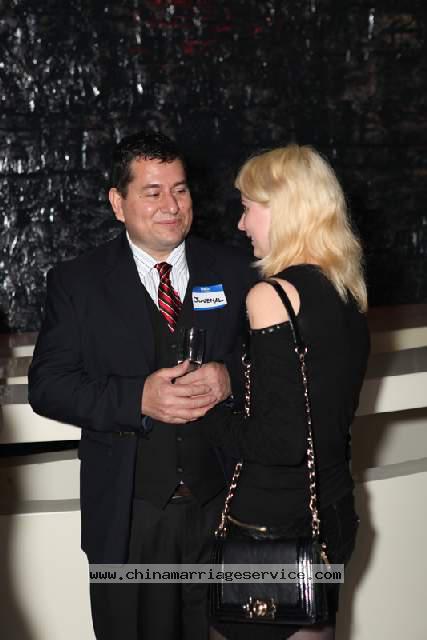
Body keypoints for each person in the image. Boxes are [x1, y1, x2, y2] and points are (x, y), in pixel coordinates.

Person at [28, 130, 255, 640]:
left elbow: (277, 365)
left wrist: (230, 378)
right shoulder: (77, 282)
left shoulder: (237, 270)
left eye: (180, 189)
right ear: (118, 202)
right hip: (129, 520)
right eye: (153, 192)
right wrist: (138, 398)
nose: (171, 206)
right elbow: (47, 385)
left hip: (224, 512)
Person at [202, 144, 370, 640]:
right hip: (331, 513)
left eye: (247, 208)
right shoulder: (346, 287)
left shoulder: (273, 296)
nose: (241, 224)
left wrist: (207, 410)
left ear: (283, 209)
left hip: (270, 528)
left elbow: (278, 443)